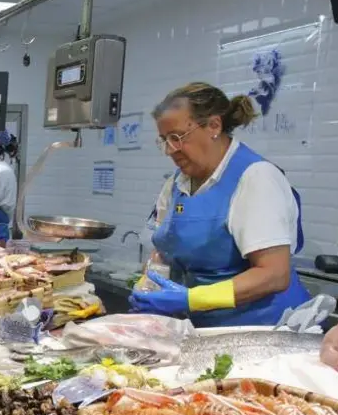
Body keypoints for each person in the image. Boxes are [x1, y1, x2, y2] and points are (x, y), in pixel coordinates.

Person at [129, 82, 310, 327]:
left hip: (263, 330)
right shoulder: (176, 184)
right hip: (205, 329)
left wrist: (192, 299)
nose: (170, 150)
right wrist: (150, 287)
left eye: (177, 137)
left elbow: (274, 274)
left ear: (214, 126)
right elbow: (163, 251)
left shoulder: (256, 177)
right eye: (164, 140)